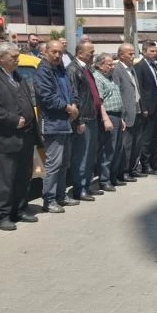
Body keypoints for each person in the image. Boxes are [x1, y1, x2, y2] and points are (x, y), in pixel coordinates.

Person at [0, 42, 40, 230]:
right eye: (13, 57)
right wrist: (12, 119)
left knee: (23, 176)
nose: (17, 60)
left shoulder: (16, 75)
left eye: (17, 56)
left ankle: (19, 209)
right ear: (0, 58)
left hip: (25, 136)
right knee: (4, 179)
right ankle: (2, 215)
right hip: (5, 138)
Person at [35, 39, 78, 213]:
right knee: (54, 163)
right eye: (54, 52)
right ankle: (49, 199)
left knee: (64, 162)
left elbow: (72, 90)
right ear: (45, 52)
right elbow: (47, 97)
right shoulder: (42, 71)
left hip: (66, 121)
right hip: (53, 123)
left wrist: (74, 105)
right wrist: (68, 108)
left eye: (60, 52)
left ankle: (60, 195)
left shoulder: (61, 70)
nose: (57, 55)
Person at [66, 40, 101, 199]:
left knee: (90, 155)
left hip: (92, 116)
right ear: (80, 53)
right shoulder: (73, 69)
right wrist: (78, 120)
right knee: (82, 155)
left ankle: (87, 184)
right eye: (90, 52)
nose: (93, 55)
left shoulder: (87, 69)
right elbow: (75, 96)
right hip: (83, 119)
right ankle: (79, 189)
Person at [134, 41, 157, 172]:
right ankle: (145, 164)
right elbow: (141, 89)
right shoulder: (140, 67)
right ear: (144, 52)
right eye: (151, 51)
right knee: (147, 138)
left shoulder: (155, 66)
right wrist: (144, 108)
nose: (154, 54)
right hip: (149, 107)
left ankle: (155, 161)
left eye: (156, 51)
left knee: (156, 136)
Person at [92, 52, 124, 191]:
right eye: (109, 64)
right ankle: (104, 180)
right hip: (108, 117)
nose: (112, 67)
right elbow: (100, 102)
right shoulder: (98, 78)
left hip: (117, 116)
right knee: (107, 150)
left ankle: (112, 177)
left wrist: (121, 118)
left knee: (116, 149)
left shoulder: (110, 78)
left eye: (112, 64)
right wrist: (106, 119)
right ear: (99, 65)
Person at [111, 43, 141, 181]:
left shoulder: (132, 69)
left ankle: (133, 168)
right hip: (126, 112)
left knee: (136, 142)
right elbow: (117, 92)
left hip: (137, 109)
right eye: (130, 54)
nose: (132, 56)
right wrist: (122, 114)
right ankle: (123, 171)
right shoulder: (117, 70)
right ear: (121, 55)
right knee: (125, 145)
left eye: (133, 53)